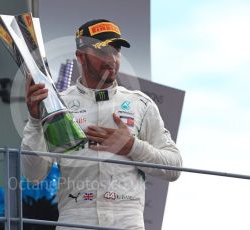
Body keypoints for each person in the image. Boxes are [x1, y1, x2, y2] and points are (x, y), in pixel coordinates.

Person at [21, 19, 182, 230]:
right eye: (102, 51)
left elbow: (175, 167)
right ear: (81, 57)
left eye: (116, 51)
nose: (112, 59)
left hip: (127, 221)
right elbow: (33, 176)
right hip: (75, 220)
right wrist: (34, 121)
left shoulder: (140, 103)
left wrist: (132, 146)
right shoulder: (59, 104)